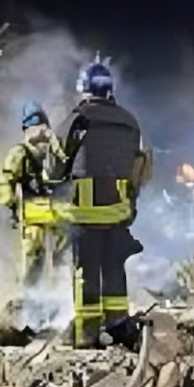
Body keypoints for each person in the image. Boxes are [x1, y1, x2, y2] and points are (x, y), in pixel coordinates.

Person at [52, 54, 152, 348]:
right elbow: (140, 168)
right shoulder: (130, 121)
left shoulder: (76, 120)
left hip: (84, 212)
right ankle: (118, 324)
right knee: (113, 268)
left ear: (83, 88)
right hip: (118, 211)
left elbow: (54, 169)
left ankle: (87, 332)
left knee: (86, 271)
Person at [0, 101, 69, 289]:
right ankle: (34, 292)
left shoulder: (50, 149)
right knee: (38, 251)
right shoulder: (22, 152)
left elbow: (66, 166)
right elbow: (6, 180)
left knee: (54, 248)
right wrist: (9, 205)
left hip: (48, 210)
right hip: (38, 211)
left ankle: (47, 288)